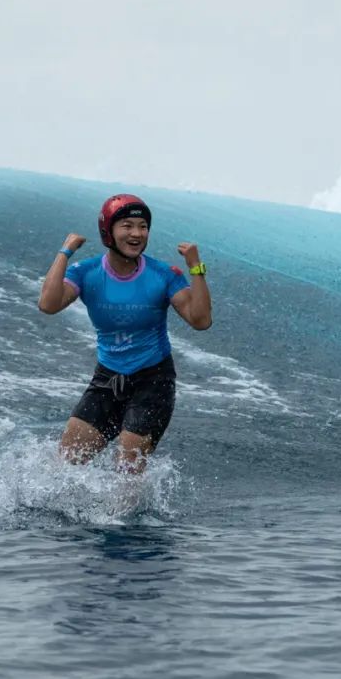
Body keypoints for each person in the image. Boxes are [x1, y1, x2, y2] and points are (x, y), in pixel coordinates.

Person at [38, 193, 212, 472]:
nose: (137, 233)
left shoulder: (164, 274)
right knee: (66, 462)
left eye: (143, 227)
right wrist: (65, 252)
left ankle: (122, 517)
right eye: (127, 226)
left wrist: (196, 267)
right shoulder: (87, 272)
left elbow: (201, 320)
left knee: (128, 469)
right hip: (107, 380)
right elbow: (48, 304)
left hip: (153, 381)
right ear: (108, 231)